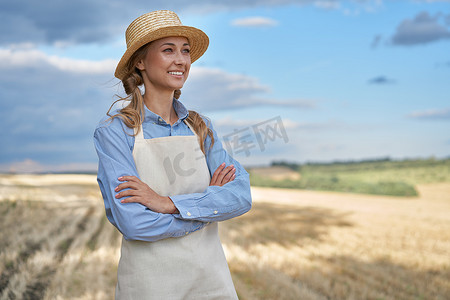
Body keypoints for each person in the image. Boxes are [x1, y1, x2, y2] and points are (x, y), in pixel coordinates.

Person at [93, 10, 252, 299]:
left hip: (211, 282)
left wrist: (166, 203)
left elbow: (240, 196)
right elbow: (134, 223)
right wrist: (207, 208)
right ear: (140, 61)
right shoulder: (115, 133)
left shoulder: (201, 127)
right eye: (168, 50)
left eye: (186, 51)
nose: (181, 60)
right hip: (149, 286)